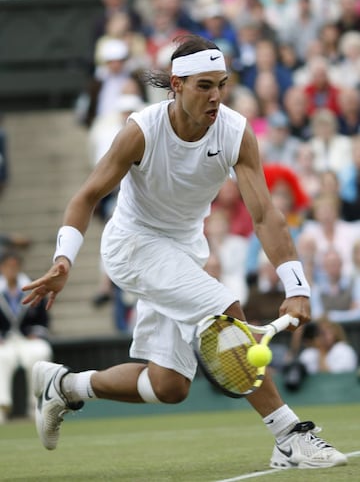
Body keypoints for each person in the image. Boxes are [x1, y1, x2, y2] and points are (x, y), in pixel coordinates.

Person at [22, 35, 346, 469]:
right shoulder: (140, 130)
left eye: (222, 85)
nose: (216, 97)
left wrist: (297, 284)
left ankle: (65, 386)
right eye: (204, 86)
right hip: (133, 245)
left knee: (170, 386)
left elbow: (265, 215)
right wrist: (64, 259)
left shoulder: (235, 132)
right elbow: (86, 196)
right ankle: (288, 437)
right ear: (176, 84)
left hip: (183, 250)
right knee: (227, 312)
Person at [0, 250, 52, 423]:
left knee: (40, 353)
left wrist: (36, 333)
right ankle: (2, 405)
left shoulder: (33, 286)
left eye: (15, 266)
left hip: (27, 338)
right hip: (5, 340)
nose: (12, 270)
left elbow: (43, 319)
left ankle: (37, 406)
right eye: (8, 266)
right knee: (2, 357)